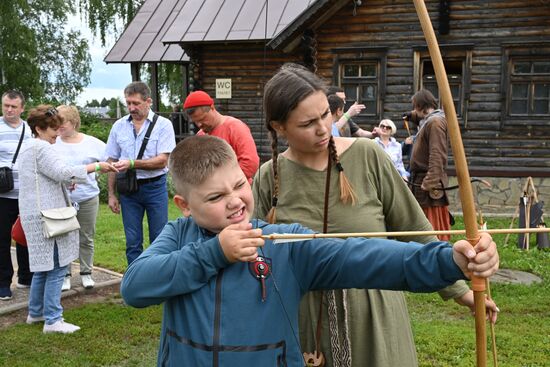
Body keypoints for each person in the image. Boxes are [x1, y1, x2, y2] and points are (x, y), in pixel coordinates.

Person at [120, 135, 499, 366]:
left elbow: (366, 258)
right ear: (185, 204)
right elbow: (135, 287)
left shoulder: (285, 243)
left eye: (239, 185)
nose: (236, 201)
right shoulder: (179, 236)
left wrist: (450, 259)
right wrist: (215, 253)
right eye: (217, 197)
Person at [253, 63, 499, 367]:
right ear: (279, 126)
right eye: (307, 123)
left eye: (325, 115)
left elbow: (414, 228)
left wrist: (461, 290)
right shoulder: (269, 177)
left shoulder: (367, 155)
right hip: (303, 321)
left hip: (373, 316)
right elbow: (253, 255)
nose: (322, 128)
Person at [18, 105, 117, 333]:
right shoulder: (42, 148)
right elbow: (63, 172)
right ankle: (53, 319)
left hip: (36, 215)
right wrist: (96, 166)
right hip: (49, 216)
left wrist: (64, 181)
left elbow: (47, 178)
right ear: (40, 128)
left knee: (42, 267)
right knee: (56, 266)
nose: (57, 134)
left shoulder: (29, 147)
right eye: (53, 129)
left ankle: (36, 312)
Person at [105, 81, 176, 265]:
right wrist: (111, 194)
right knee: (132, 241)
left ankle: (158, 279)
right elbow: (111, 161)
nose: (131, 107)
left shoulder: (163, 125)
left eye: (136, 103)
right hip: (128, 189)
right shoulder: (119, 126)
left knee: (159, 239)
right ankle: (136, 284)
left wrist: (131, 163)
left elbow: (162, 161)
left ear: (148, 101)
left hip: (155, 187)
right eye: (128, 103)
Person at [53, 105, 107, 291]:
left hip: (87, 197)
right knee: (64, 236)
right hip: (61, 198)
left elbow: (108, 161)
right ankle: (65, 275)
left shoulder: (93, 143)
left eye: (63, 122)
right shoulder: (53, 142)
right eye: (56, 122)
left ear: (74, 122)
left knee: (86, 236)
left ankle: (86, 273)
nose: (58, 126)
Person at [183, 90, 259, 183]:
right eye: (195, 121)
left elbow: (250, 163)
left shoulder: (235, 127)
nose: (199, 125)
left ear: (212, 107)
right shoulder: (200, 136)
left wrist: (222, 184)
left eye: (202, 119)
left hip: (236, 192)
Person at [0, 90, 33, 300]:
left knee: (26, 236)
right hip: (2, 195)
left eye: (13, 106)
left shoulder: (30, 130)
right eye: (5, 106)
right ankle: (3, 282)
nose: (9, 110)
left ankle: (26, 276)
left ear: (22, 108)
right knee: (2, 239)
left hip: (27, 193)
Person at [408, 90, 451, 241]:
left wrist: (430, 182)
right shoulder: (429, 120)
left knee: (432, 234)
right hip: (421, 181)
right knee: (422, 233)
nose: (414, 111)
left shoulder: (435, 122)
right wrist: (411, 116)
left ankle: (437, 262)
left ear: (420, 106)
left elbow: (437, 154)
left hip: (429, 186)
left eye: (415, 107)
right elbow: (419, 119)